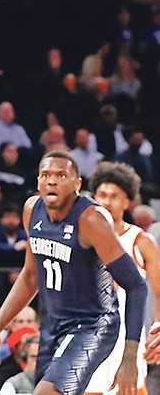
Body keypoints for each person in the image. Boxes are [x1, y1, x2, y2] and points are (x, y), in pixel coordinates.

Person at [0, 151, 148, 395]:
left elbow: (136, 285)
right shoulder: (31, 210)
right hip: (53, 323)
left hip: (93, 324)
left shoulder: (92, 220)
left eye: (61, 175)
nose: (52, 180)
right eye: (45, 175)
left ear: (77, 184)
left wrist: (130, 355)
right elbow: (30, 276)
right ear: (38, 182)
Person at [86, 161, 160, 393]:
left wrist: (157, 332)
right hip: (86, 342)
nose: (107, 201)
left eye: (114, 196)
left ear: (127, 201)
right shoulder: (80, 239)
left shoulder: (141, 241)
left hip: (127, 344)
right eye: (102, 194)